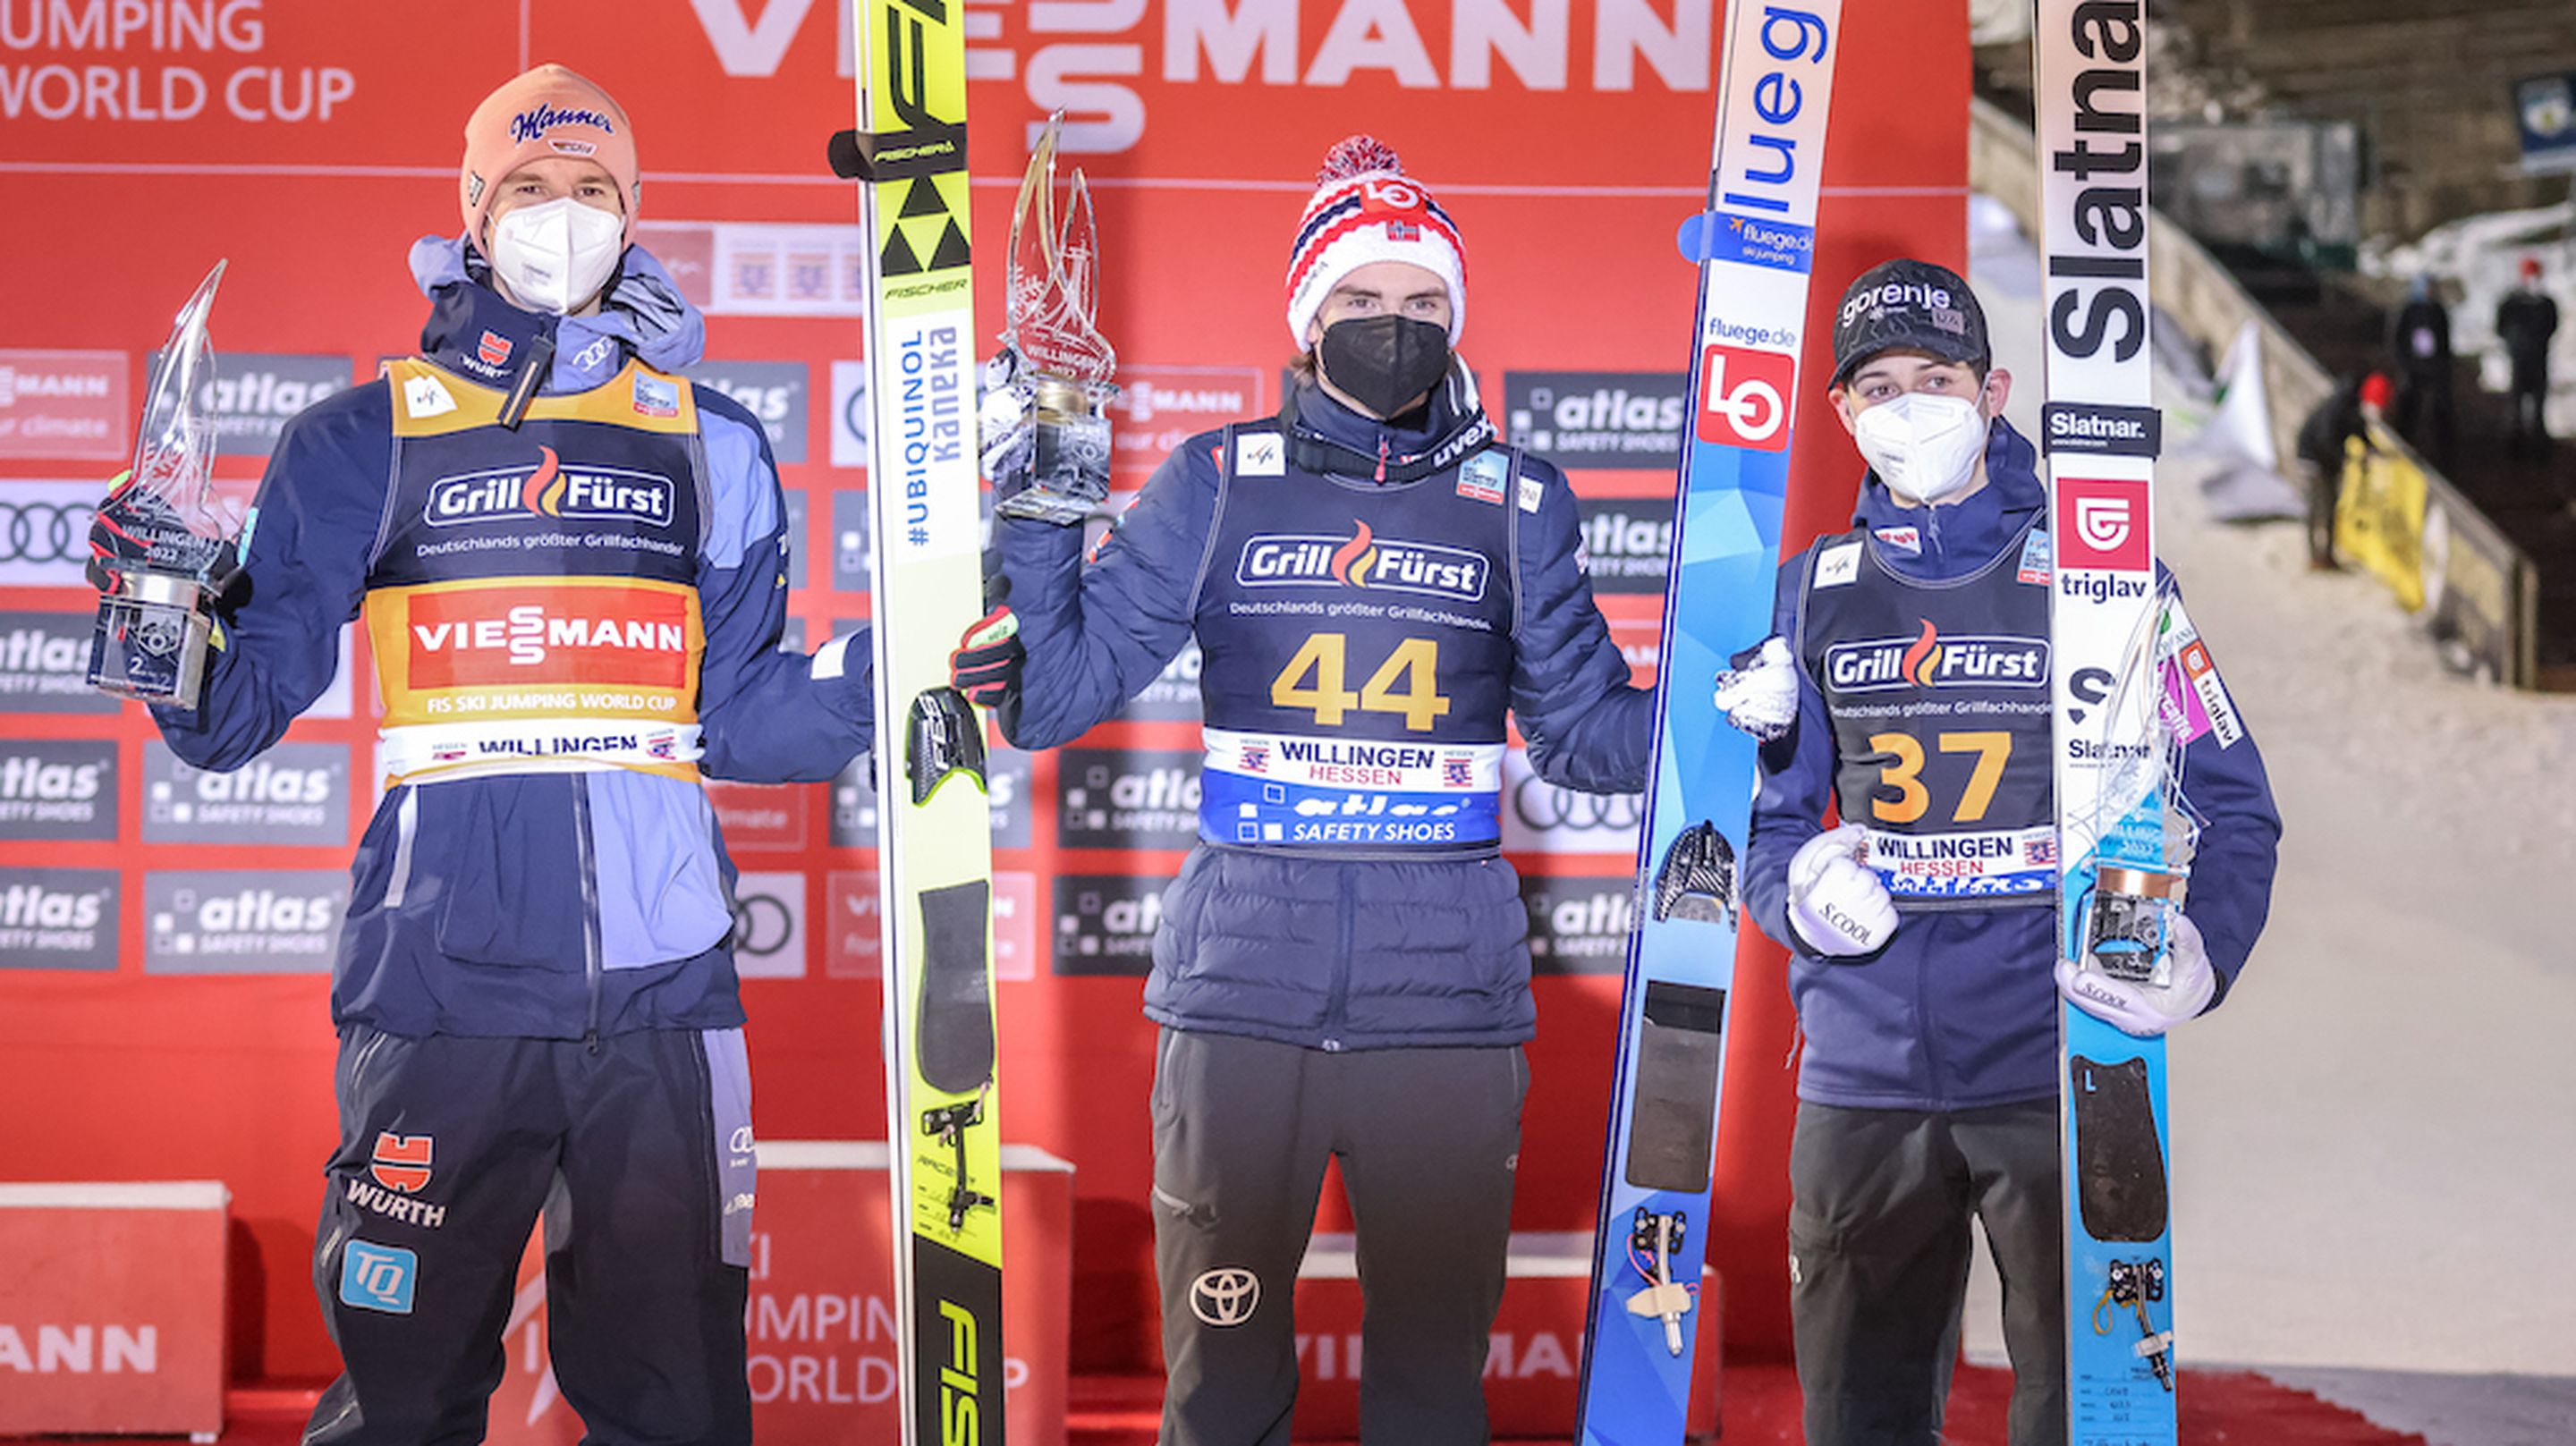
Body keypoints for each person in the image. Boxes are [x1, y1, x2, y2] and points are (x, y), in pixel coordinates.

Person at [95, 65, 874, 1445]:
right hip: (439, 992)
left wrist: (897, 674)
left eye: (591, 191)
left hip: (663, 998)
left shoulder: (719, 442)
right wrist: (154, 610)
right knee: (402, 1405)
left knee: (680, 1406)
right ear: (471, 209)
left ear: (633, 216)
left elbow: (744, 712)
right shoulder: (362, 436)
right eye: (528, 189)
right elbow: (235, 717)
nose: (559, 215)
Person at [953, 136, 1652, 1445]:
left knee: (1434, 1396)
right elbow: (1050, 696)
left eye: (1423, 305)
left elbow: (1584, 739)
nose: (1393, 329)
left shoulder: (1519, 500)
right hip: (1242, 1002)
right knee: (1222, 1397)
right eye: (1358, 302)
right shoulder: (1220, 482)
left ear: (1457, 321)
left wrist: (1737, 715)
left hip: (1444, 1008)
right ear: (1304, 317)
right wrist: (1038, 510)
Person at [1713, 259, 2282, 1446]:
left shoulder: (2103, 582)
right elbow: (1765, 828)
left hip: (2061, 1058)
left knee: (2086, 1411)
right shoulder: (1809, 595)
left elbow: (2234, 803)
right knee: (1858, 1416)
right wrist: (1799, 894)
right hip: (1865, 1072)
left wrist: (2201, 949)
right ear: (1842, 412)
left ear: (1995, 389)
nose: (1911, 405)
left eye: (1939, 377)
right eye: (1880, 385)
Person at [2292, 370, 2388, 570]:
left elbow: (2357, 430)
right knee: (2320, 507)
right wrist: (2346, 458)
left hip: (2326, 459)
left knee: (2330, 507)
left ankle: (2325, 554)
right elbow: (2326, 438)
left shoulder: (2351, 406)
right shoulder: (2338, 407)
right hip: (2313, 458)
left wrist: (2371, 448)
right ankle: (2317, 557)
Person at [2497, 256, 2560, 460]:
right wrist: (2515, 344)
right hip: (2519, 359)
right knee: (2516, 403)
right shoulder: (2512, 302)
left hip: (2539, 359)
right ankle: (2514, 447)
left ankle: (2540, 449)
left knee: (2538, 405)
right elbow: (2500, 325)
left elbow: (2552, 325)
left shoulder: (2546, 303)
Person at [2388, 272, 2454, 461]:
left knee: (2440, 407)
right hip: (2413, 366)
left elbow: (2445, 340)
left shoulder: (2438, 311)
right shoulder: (2408, 310)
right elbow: (2397, 339)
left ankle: (2443, 450)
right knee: (2409, 405)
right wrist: (2405, 363)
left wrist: (2443, 364)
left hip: (2434, 366)